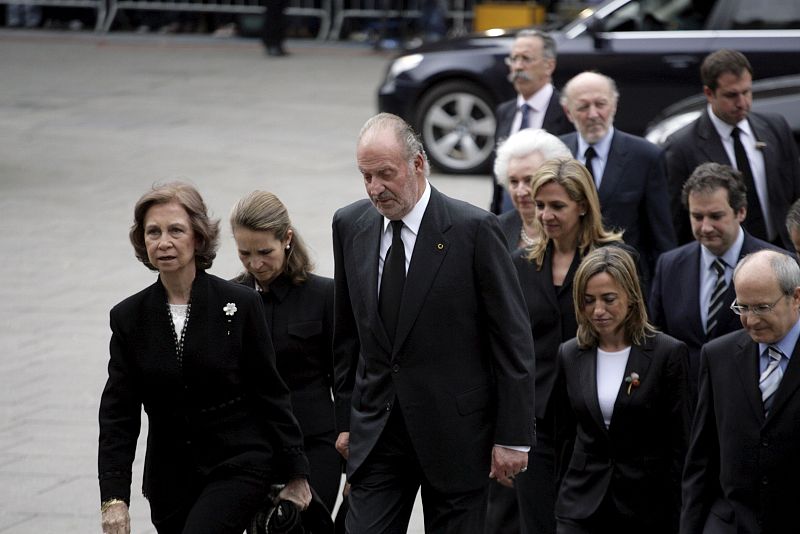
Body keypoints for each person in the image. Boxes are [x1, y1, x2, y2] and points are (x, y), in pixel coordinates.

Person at [332, 113, 535, 533]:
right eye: (365, 176)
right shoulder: (351, 225)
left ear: (418, 164)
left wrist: (512, 436)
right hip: (378, 432)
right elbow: (348, 332)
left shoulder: (474, 230)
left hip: (457, 435)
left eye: (385, 174)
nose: (374, 189)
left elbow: (511, 339)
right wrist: (346, 422)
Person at [98, 182, 311, 534]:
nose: (163, 242)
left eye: (175, 230)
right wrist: (113, 498)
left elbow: (270, 392)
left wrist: (296, 472)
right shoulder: (129, 317)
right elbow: (118, 414)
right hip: (170, 479)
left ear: (197, 237)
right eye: (153, 232)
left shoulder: (240, 304)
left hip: (238, 465)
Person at [512, 157, 628, 534]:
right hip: (537, 424)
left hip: (594, 421)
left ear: (582, 205)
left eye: (557, 205)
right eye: (541, 204)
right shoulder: (521, 264)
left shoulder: (615, 261)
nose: (545, 215)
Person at [554, 246, 691, 534]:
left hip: (646, 505)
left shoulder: (668, 353)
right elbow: (564, 434)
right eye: (588, 301)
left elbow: (680, 439)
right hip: (580, 503)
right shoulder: (569, 354)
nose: (598, 310)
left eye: (609, 299)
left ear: (631, 298)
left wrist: (682, 510)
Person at [229, 190, 341, 514]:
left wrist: (357, 459)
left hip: (314, 444)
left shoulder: (324, 295)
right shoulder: (228, 300)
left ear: (287, 238)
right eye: (244, 253)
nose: (255, 264)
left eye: (265, 251)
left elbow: (346, 379)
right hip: (252, 446)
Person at [681, 250, 800, 534]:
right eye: (742, 308)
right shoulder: (718, 357)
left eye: (761, 307)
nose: (750, 320)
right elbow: (701, 459)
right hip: (730, 524)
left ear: (796, 298)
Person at [649, 163, 784, 402]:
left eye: (716, 216)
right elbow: (656, 341)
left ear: (740, 212)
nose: (706, 227)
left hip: (751, 404)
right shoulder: (669, 265)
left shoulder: (777, 264)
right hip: (686, 407)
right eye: (697, 216)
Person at [665, 49, 800, 247]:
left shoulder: (775, 128)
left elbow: (795, 194)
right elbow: (676, 222)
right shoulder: (682, 146)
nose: (742, 102)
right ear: (709, 94)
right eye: (731, 95)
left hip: (780, 251)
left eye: (747, 92)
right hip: (723, 258)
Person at [559, 71, 676, 286]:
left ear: (613, 105)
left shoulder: (645, 156)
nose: (593, 114)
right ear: (568, 111)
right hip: (569, 282)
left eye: (600, 104)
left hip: (626, 282)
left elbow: (661, 236)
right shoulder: (556, 152)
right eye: (583, 107)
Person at [492, 29, 572, 215]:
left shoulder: (566, 111)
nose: (518, 66)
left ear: (549, 66)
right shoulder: (505, 111)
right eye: (514, 59)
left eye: (526, 59)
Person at [493, 128, 572, 251]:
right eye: (514, 181)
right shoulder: (496, 229)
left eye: (529, 180)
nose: (521, 192)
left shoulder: (572, 230)